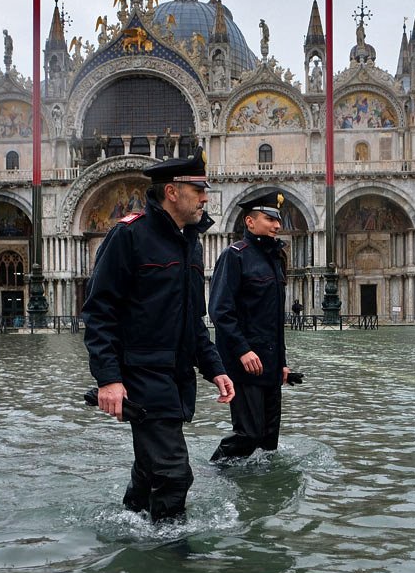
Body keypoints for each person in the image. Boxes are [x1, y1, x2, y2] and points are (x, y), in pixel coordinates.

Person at [82, 148, 235, 524]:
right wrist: (109, 379)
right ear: (172, 191)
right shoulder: (128, 236)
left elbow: (193, 319)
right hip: (142, 376)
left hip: (176, 377)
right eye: (198, 189)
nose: (205, 197)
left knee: (150, 470)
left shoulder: (190, 243)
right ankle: (173, 561)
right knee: (173, 474)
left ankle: (128, 524)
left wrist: (215, 368)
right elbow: (99, 312)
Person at [209, 191, 291, 461]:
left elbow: (274, 320)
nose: (277, 226)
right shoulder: (235, 256)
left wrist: (282, 362)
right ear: (250, 222)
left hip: (270, 363)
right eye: (269, 219)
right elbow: (220, 311)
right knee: (248, 434)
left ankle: (261, 490)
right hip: (244, 364)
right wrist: (242, 349)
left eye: (278, 221)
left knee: (269, 440)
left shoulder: (275, 259)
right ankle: (216, 470)